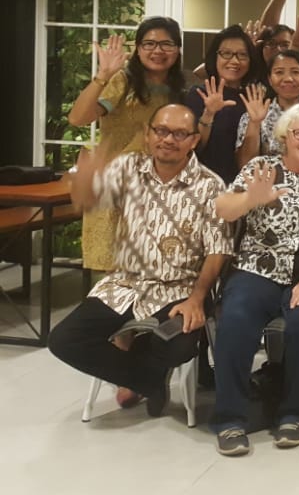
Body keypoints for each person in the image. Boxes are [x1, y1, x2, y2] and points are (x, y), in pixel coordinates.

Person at [50, 105, 231, 419]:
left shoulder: (210, 185)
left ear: (193, 140)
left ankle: (140, 375)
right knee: (64, 340)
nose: (168, 139)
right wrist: (83, 182)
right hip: (125, 285)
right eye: (161, 130)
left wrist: (197, 299)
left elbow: (218, 250)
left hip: (180, 290)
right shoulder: (128, 167)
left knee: (178, 346)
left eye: (179, 134)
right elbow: (89, 199)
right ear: (148, 135)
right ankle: (148, 380)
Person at [210, 103, 299, 456]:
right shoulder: (261, 168)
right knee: (235, 318)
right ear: (284, 136)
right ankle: (230, 419)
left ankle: (293, 413)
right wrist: (251, 199)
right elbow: (223, 209)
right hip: (257, 269)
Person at [68, 17, 185, 271]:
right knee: (114, 276)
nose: (158, 51)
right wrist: (102, 76)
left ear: (177, 49)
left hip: (160, 192)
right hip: (116, 188)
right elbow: (78, 118)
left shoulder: (181, 87)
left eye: (166, 44)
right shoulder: (123, 81)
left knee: (157, 271)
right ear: (138, 49)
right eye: (149, 44)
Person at [187, 25, 265, 183]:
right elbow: (191, 149)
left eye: (242, 55)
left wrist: (254, 122)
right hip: (201, 184)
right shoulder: (199, 94)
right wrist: (209, 113)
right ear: (215, 57)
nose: (235, 61)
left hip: (242, 185)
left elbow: (251, 161)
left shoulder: (254, 98)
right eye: (226, 53)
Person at [236, 50, 299, 168]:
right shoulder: (251, 116)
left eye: (295, 72)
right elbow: (245, 165)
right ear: (270, 80)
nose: (288, 78)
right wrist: (255, 123)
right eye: (279, 72)